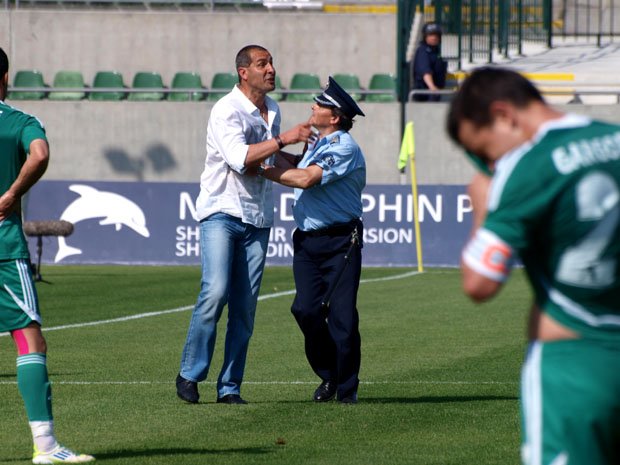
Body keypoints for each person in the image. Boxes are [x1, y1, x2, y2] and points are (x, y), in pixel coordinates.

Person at [447, 67, 620, 465]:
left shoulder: (530, 165)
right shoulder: (611, 138)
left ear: (504, 115)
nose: (492, 163)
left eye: (488, 151)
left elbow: (480, 282)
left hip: (576, 364)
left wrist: (482, 206)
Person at [175, 44, 312, 405]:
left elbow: (270, 152)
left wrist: (300, 159)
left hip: (258, 216)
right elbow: (239, 159)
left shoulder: (273, 110)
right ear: (243, 72)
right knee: (216, 291)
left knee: (245, 308)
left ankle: (230, 387)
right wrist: (283, 140)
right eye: (262, 64)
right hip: (222, 211)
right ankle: (191, 373)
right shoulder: (226, 109)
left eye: (271, 63)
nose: (270, 69)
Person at [0, 48, 95, 464]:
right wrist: (12, 193)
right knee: (28, 337)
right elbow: (39, 154)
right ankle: (46, 447)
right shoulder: (18, 122)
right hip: (2, 246)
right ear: (4, 78)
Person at [259, 77, 366, 404]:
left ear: (334, 117)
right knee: (305, 310)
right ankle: (330, 375)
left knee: (342, 320)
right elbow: (294, 165)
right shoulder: (318, 143)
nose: (312, 107)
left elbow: (305, 179)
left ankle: (346, 391)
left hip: (340, 242)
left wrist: (260, 169)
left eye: (320, 105)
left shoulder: (343, 146)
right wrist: (262, 149)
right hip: (307, 241)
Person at [411, 22, 448, 102]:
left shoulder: (435, 51)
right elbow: (426, 72)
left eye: (436, 35)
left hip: (434, 92)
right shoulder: (423, 51)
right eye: (431, 35)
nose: (434, 37)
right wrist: (432, 87)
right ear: (425, 37)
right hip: (425, 93)